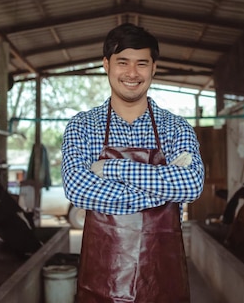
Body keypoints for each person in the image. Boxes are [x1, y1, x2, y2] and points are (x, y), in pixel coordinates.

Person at [61, 23, 205, 302]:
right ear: (106, 65)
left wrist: (113, 169)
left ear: (154, 68)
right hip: (101, 284)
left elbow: (191, 185)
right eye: (122, 62)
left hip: (165, 284)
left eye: (142, 63)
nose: (131, 73)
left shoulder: (175, 128)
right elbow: (78, 189)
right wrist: (162, 189)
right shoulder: (82, 126)